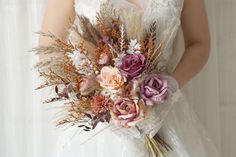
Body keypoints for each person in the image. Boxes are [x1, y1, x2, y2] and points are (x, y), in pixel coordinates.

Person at [39, 0, 220, 156]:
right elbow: (49, 50)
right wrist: (98, 96)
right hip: (99, 125)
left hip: (164, 112)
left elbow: (199, 43)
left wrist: (170, 86)